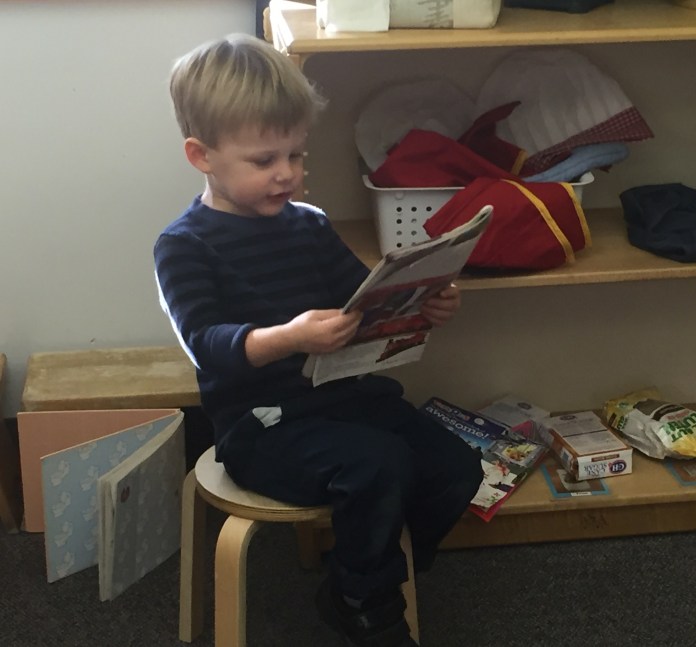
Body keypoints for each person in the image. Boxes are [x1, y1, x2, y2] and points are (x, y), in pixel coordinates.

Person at [155, 34, 483, 647]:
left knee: (456, 467)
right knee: (378, 466)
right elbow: (206, 343)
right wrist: (290, 337)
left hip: (346, 399)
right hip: (262, 425)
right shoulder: (184, 245)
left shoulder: (308, 225)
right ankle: (364, 600)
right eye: (264, 160)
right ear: (202, 155)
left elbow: (366, 298)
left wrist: (425, 303)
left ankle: (364, 569)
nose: (287, 173)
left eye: (296, 155)